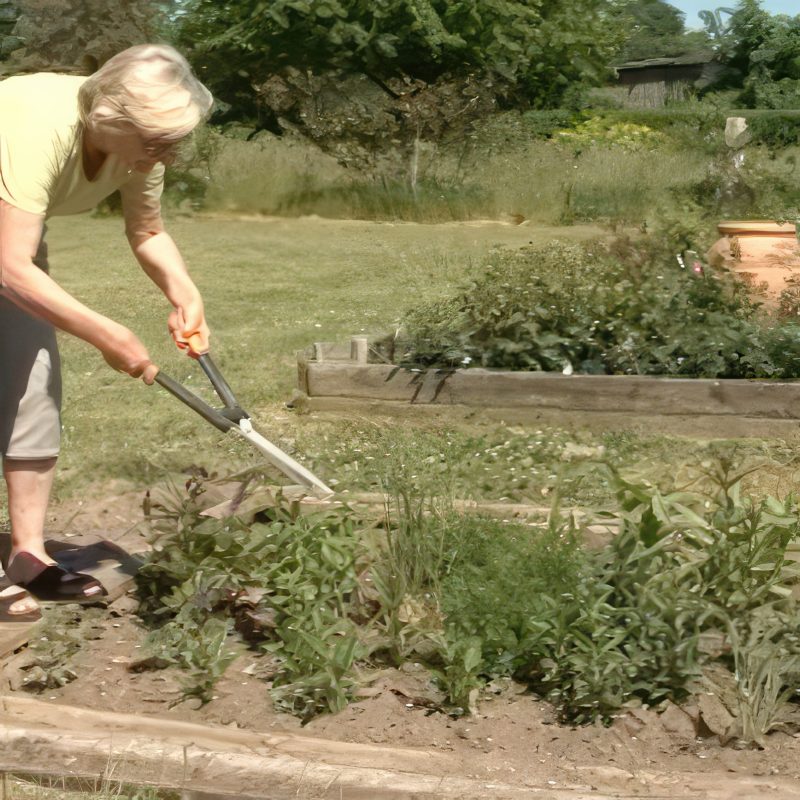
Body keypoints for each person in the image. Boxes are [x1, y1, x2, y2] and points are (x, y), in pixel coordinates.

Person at [0, 44, 213, 618]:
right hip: (6, 249)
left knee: (33, 387)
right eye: (155, 140)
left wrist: (183, 291)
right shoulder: (37, 127)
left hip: (8, 242)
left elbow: (146, 230)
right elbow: (9, 267)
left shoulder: (141, 148)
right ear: (108, 119)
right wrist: (108, 335)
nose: (167, 152)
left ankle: (28, 554)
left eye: (172, 140)